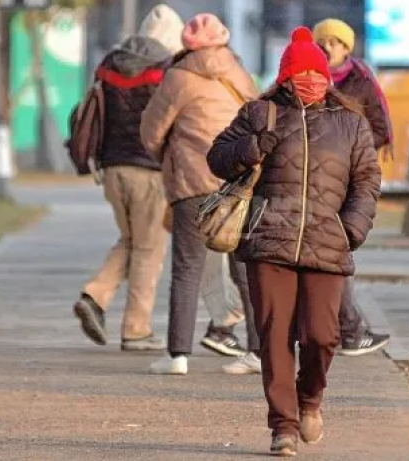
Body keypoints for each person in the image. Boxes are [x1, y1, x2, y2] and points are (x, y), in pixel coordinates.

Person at [207, 27, 381, 456]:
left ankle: (310, 400)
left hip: (327, 244)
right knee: (274, 335)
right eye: (300, 74)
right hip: (269, 242)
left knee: (322, 335)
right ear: (285, 77)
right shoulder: (259, 114)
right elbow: (217, 158)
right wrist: (253, 146)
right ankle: (282, 426)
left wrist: (352, 228)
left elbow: (367, 181)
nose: (310, 81)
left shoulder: (350, 124)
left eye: (316, 74)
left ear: (327, 78)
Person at [141, 13, 260, 375]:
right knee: (246, 268)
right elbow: (258, 120)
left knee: (187, 269)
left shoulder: (177, 77)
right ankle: (258, 351)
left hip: (191, 182)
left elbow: (150, 131)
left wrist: (167, 154)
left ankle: (178, 355)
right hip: (236, 184)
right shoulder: (240, 73)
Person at [71, 35, 173, 351]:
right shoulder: (165, 69)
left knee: (131, 241)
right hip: (149, 172)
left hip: (112, 168)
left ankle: (95, 295)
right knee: (148, 249)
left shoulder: (108, 65)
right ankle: (136, 329)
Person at [312, 18, 392, 356]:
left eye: (336, 42)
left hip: (346, 177)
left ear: (347, 48)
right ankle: (347, 330)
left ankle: (346, 328)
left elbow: (381, 128)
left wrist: (349, 143)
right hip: (312, 175)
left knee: (335, 250)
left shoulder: (361, 82)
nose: (329, 47)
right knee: (331, 252)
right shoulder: (305, 78)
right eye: (324, 42)